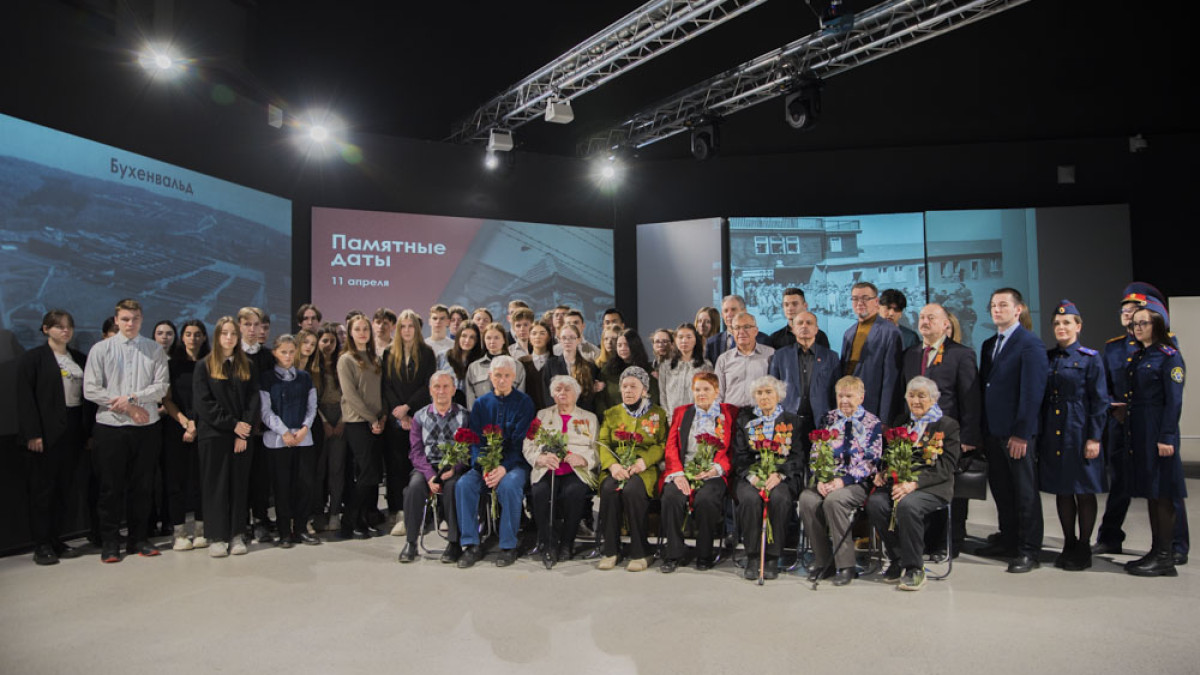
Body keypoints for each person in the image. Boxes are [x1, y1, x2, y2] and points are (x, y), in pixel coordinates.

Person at [1095, 283, 1189, 564]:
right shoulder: (1115, 348)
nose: (1129, 316)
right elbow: (1105, 385)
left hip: (1153, 426)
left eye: (1135, 312)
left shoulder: (1165, 350)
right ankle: (1111, 536)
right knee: (1121, 482)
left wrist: (1166, 434)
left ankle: (1174, 545)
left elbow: (1172, 397)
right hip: (1122, 425)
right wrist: (1113, 406)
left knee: (1164, 487)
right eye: (1125, 312)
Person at [83, 299, 169, 563]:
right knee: (110, 488)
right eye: (125, 319)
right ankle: (110, 543)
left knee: (142, 487)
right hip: (111, 428)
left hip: (146, 428)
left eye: (135, 318)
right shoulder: (101, 349)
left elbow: (161, 387)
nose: (130, 323)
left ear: (142, 319)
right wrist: (129, 407)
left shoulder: (154, 349)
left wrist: (132, 398)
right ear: (116, 320)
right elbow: (91, 389)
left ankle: (138, 539)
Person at [976, 288, 1049, 573]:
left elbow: (1032, 393)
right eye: (993, 305)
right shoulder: (989, 344)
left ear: (1018, 310)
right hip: (993, 432)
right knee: (1002, 491)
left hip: (1016, 435)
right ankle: (1008, 540)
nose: (997, 309)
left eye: (1003, 305)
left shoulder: (1030, 344)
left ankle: (1029, 550)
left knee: (1024, 493)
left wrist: (1022, 433)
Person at [866, 376, 962, 591]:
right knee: (876, 503)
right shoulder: (902, 421)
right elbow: (890, 456)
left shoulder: (947, 425)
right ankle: (898, 558)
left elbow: (946, 467)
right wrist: (883, 472)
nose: (916, 401)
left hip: (932, 486)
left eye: (922, 396)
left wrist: (914, 484)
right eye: (911, 395)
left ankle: (914, 568)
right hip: (899, 483)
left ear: (934, 399)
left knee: (908, 505)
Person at [901, 303, 980, 558]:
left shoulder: (961, 354)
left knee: (951, 489)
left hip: (949, 434)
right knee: (921, 483)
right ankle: (924, 541)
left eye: (931, 318)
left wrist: (968, 436)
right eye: (922, 317)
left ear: (946, 324)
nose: (925, 321)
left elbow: (970, 398)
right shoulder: (911, 354)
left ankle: (949, 543)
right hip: (916, 434)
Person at [1038, 300, 1109, 571]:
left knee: (1084, 491)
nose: (1061, 327)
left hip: (1079, 430)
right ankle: (1068, 542)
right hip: (1054, 431)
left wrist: (1094, 437)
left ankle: (1084, 546)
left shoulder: (1090, 358)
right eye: (1057, 323)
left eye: (1067, 322)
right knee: (1063, 490)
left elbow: (1099, 401)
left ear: (1078, 326)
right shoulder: (1048, 358)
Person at [16, 310, 91, 565]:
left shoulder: (79, 358)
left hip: (73, 430)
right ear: (46, 329)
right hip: (45, 434)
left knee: (64, 489)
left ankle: (57, 539)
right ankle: (42, 544)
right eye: (59, 326)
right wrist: (33, 433)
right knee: (42, 490)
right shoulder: (33, 359)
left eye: (69, 326)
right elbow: (25, 399)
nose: (65, 331)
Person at [1123, 298, 1187, 577]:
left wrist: (1167, 436)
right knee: (1152, 493)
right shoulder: (1141, 356)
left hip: (1159, 432)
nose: (1138, 328)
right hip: (1141, 431)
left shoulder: (1169, 356)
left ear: (1157, 325)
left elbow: (1174, 401)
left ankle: (1165, 557)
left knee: (1163, 494)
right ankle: (1155, 550)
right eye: (1135, 324)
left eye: (1144, 323)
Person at [799, 375, 882, 586]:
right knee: (807, 500)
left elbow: (871, 461)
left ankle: (846, 565)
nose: (844, 400)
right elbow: (816, 452)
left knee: (834, 501)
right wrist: (820, 479)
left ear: (861, 397)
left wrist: (843, 481)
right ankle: (823, 561)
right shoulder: (828, 419)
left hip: (856, 482)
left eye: (849, 396)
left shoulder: (872, 423)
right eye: (840, 396)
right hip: (827, 479)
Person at [455, 356, 535, 568]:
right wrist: (484, 466)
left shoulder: (524, 403)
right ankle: (471, 544)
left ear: (514, 377)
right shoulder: (481, 404)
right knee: (464, 485)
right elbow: (475, 440)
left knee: (509, 486)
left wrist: (503, 467)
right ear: (490, 376)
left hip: (515, 464)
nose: (502, 380)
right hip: (485, 464)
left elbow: (520, 442)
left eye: (507, 375)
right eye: (497, 375)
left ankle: (508, 545)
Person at [193, 316, 260, 558]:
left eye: (233, 334)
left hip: (242, 437)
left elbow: (254, 400)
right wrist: (234, 425)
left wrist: (244, 430)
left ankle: (237, 534)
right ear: (217, 336)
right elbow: (204, 403)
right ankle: (217, 537)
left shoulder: (248, 365)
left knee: (239, 485)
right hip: (214, 435)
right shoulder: (204, 366)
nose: (229, 338)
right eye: (225, 333)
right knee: (216, 486)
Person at [659, 372, 738, 573]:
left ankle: (705, 553)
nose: (701, 393)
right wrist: (678, 473)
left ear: (716, 391)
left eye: (706, 389)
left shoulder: (729, 413)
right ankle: (674, 553)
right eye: (697, 390)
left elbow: (733, 449)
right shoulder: (682, 412)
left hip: (713, 471)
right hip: (684, 470)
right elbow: (671, 446)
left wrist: (716, 468)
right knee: (671, 496)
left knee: (706, 499)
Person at [732, 375, 806, 581]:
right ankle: (753, 555)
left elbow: (797, 457)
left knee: (780, 498)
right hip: (751, 475)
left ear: (778, 395)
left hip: (782, 475)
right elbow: (739, 455)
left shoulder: (793, 421)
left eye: (768, 392)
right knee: (750, 499)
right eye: (759, 393)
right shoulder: (745, 420)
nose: (764, 397)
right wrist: (751, 476)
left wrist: (780, 474)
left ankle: (773, 556)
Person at [596, 366, 668, 572]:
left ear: (644, 390)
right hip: (617, 466)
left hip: (643, 468)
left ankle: (641, 551)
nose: (628, 390)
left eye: (633, 386)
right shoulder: (611, 413)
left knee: (633, 490)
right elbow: (603, 443)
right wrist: (612, 465)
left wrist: (643, 462)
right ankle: (611, 550)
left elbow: (661, 444)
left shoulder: (657, 414)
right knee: (609, 489)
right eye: (624, 386)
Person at [524, 375, 599, 568]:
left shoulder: (589, 418)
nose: (562, 393)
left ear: (577, 393)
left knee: (573, 492)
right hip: (547, 469)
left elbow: (597, 450)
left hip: (576, 471)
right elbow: (528, 444)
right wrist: (539, 458)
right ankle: (546, 542)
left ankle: (567, 542)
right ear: (552, 394)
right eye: (558, 389)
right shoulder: (542, 415)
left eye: (567, 389)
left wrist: (584, 459)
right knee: (540, 492)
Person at [400, 370, 472, 564]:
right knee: (414, 488)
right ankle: (411, 542)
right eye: (437, 387)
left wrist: (455, 468)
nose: (441, 391)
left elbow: (467, 449)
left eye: (446, 386)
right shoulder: (419, 417)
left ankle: (454, 543)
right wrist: (430, 475)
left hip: (453, 467)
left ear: (454, 390)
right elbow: (416, 451)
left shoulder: (465, 416)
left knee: (453, 488)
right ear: (430, 390)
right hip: (427, 466)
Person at [259, 334, 320, 548]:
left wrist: (304, 428)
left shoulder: (304, 377)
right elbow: (265, 411)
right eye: (283, 352)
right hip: (278, 440)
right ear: (275, 353)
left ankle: (301, 528)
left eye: (291, 352)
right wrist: (284, 431)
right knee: (282, 487)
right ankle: (284, 531)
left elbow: (312, 406)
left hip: (303, 438)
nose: (287, 356)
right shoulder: (267, 378)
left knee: (304, 485)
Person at [381, 309, 435, 535]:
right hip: (396, 419)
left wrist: (409, 409)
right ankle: (397, 510)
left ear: (417, 329)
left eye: (410, 326)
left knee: (418, 465)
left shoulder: (427, 352)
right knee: (396, 466)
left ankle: (421, 510)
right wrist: (400, 413)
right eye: (403, 326)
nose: (406, 330)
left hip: (419, 416)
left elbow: (427, 385)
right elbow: (386, 385)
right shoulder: (388, 352)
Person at [336, 313, 387, 539]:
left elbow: (381, 390)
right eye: (357, 329)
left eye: (365, 328)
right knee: (366, 473)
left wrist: (381, 417)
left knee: (374, 475)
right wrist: (371, 419)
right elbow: (350, 396)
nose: (362, 333)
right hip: (357, 422)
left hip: (377, 422)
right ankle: (350, 520)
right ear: (350, 333)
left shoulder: (376, 359)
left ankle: (365, 518)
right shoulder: (346, 359)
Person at [161, 319, 209, 551]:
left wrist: (197, 425)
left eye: (197, 334)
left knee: (202, 481)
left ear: (204, 337)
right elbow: (167, 399)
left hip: (205, 428)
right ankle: (179, 531)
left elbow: (213, 398)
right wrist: (185, 423)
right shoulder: (171, 366)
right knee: (176, 482)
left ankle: (201, 529)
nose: (193, 338)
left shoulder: (210, 364)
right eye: (189, 334)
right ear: (182, 337)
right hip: (176, 429)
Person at [769, 311, 840, 438]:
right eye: (800, 323)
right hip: (788, 421)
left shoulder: (831, 357)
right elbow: (772, 390)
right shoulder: (780, 356)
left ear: (816, 329)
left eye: (809, 323)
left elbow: (837, 392)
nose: (804, 326)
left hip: (821, 421)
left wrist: (833, 420)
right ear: (793, 329)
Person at [840, 282, 902, 425]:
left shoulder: (890, 332)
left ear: (876, 301)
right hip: (849, 410)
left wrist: (885, 419)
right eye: (855, 298)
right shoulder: (849, 333)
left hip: (874, 410)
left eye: (865, 298)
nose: (859, 303)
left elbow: (891, 380)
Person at [237, 307, 275, 544]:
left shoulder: (268, 357)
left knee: (261, 477)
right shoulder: (231, 355)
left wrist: (263, 419)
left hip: (263, 427)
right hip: (239, 428)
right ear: (239, 326)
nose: (253, 330)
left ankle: (261, 520)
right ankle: (241, 523)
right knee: (240, 477)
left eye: (256, 325)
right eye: (247, 324)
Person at [312, 323, 347, 531]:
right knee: (319, 470)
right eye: (324, 340)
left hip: (342, 417)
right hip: (319, 418)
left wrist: (342, 420)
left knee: (337, 469)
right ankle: (318, 513)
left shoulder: (342, 363)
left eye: (332, 341)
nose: (328, 344)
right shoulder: (313, 367)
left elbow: (349, 393)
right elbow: (311, 400)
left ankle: (335, 513)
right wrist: (324, 421)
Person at [714, 312, 774, 409]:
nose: (741, 332)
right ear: (733, 332)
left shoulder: (770, 354)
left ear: (756, 331)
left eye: (747, 327)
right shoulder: (723, 359)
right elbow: (717, 394)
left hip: (761, 413)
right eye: (737, 328)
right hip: (731, 413)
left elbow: (777, 390)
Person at [542, 323, 602, 413]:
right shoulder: (551, 364)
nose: (567, 341)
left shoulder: (589, 366)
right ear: (559, 340)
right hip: (558, 414)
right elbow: (547, 393)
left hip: (582, 414)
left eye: (571, 337)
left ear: (578, 340)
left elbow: (589, 396)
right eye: (564, 338)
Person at [597, 329, 660, 412]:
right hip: (613, 417)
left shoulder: (647, 370)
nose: (623, 348)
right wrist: (606, 416)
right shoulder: (607, 370)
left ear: (635, 346)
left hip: (642, 418)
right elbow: (600, 399)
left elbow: (653, 397)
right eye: (619, 345)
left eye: (626, 345)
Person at [465, 323, 526, 408]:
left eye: (496, 338)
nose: (492, 341)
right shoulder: (474, 367)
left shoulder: (517, 366)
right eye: (488, 338)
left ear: (504, 340)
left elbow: (520, 397)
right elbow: (470, 398)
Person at [657, 323, 713, 414]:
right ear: (675, 340)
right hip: (673, 417)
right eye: (680, 337)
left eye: (689, 337)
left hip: (697, 417)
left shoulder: (705, 366)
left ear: (695, 340)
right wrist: (669, 417)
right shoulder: (666, 366)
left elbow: (709, 395)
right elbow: (663, 395)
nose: (684, 340)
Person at [706, 295, 769, 362]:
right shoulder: (712, 342)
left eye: (733, 309)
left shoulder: (763, 340)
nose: (729, 314)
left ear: (744, 311)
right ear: (722, 315)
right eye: (726, 311)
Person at [440, 323, 483, 404]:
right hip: (446, 404)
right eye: (464, 336)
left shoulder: (480, 360)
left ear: (476, 341)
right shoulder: (443, 356)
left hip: (471, 405)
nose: (467, 340)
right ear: (458, 337)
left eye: (472, 337)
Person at [518, 319, 555, 409]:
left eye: (542, 333)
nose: (537, 336)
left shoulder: (556, 362)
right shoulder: (522, 362)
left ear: (549, 337)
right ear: (529, 338)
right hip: (527, 410)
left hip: (552, 411)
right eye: (534, 333)